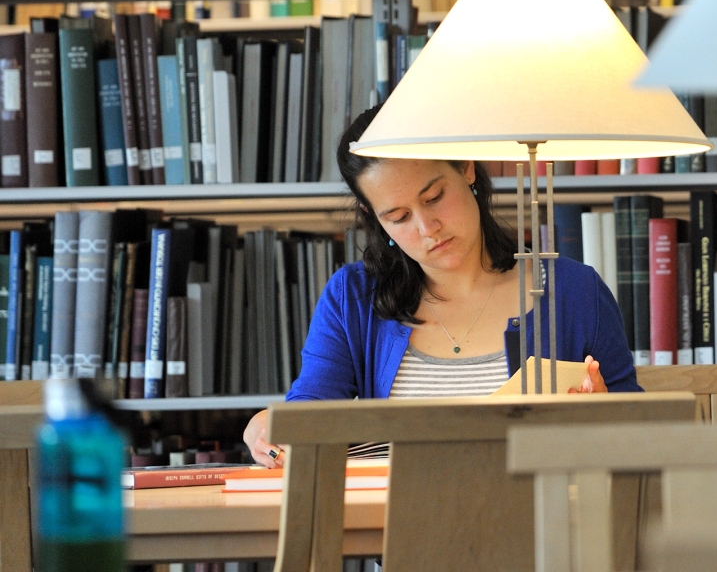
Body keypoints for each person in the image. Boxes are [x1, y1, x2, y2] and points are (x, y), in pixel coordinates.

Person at [242, 105, 639, 467]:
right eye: (398, 216)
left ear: (466, 169)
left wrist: (604, 420)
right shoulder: (353, 296)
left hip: (542, 533)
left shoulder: (574, 291)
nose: (426, 228)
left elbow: (642, 440)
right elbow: (311, 412)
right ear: (373, 216)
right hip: (394, 534)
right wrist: (267, 424)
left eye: (434, 197)